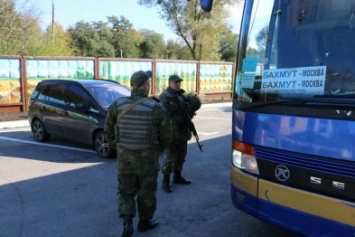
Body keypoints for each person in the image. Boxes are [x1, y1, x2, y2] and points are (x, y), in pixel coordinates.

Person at [104, 70, 172, 237]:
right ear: (146, 85)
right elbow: (167, 136)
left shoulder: (118, 105)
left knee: (125, 191)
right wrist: (158, 149)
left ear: (132, 85)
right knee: (146, 192)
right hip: (148, 161)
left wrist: (118, 147)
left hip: (125, 159)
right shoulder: (156, 108)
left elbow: (107, 130)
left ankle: (127, 223)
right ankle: (144, 222)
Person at [159, 74, 200, 193]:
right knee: (169, 158)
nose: (178, 84)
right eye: (175, 82)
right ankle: (165, 181)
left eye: (179, 82)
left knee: (181, 157)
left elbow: (190, 108)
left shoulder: (182, 95)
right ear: (170, 83)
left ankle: (177, 176)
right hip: (171, 133)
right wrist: (178, 105)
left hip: (183, 131)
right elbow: (165, 111)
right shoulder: (165, 96)